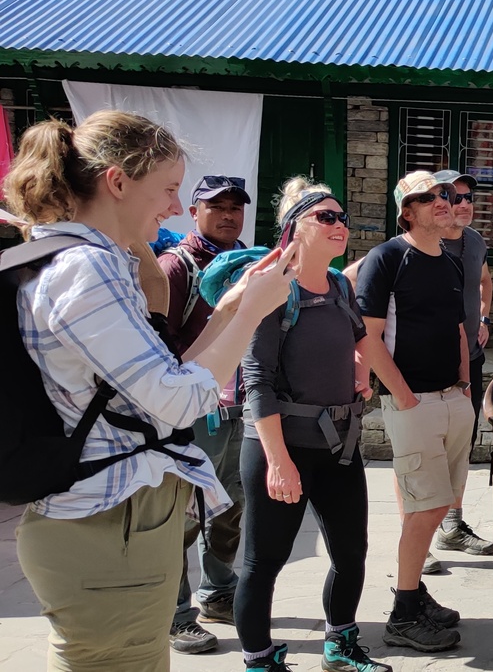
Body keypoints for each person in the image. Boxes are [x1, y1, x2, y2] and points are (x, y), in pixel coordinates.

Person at [4, 110, 293, 671]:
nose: (173, 207)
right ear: (117, 182)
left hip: (112, 524)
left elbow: (163, 378)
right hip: (111, 528)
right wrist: (255, 312)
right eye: (167, 188)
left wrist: (230, 310)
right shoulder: (88, 268)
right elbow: (177, 402)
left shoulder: (81, 262)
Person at [234, 177, 392, 672]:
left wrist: (360, 372)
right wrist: (278, 463)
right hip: (280, 448)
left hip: (338, 448)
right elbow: (256, 382)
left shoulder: (342, 284)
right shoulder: (274, 289)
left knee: (352, 552)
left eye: (342, 217)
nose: (339, 224)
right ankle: (259, 660)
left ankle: (339, 646)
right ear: (293, 229)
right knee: (263, 563)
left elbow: (355, 339)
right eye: (325, 216)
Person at [355, 170, 471, 652]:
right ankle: (403, 613)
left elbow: (460, 330)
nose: (442, 201)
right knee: (424, 509)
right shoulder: (387, 258)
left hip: (452, 399)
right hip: (413, 402)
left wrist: (464, 385)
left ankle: (414, 592)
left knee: (440, 504)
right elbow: (367, 334)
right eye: (428, 197)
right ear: (408, 211)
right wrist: (401, 396)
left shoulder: (449, 260)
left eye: (444, 194)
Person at [158, 174, 252, 655]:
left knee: (231, 505)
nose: (228, 214)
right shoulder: (176, 267)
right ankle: (175, 613)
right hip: (193, 411)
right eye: (217, 206)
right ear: (194, 211)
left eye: (236, 206)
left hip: (238, 404)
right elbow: (158, 341)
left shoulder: (246, 263)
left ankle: (219, 592)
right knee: (185, 513)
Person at [432, 168, 493, 556]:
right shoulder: (417, 245)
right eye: (456, 197)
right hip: (425, 368)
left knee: (461, 446)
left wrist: (484, 318)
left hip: (469, 361)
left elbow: (484, 280)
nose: (466, 204)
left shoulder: (474, 242)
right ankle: (418, 539)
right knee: (422, 454)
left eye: (469, 197)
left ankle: (451, 525)